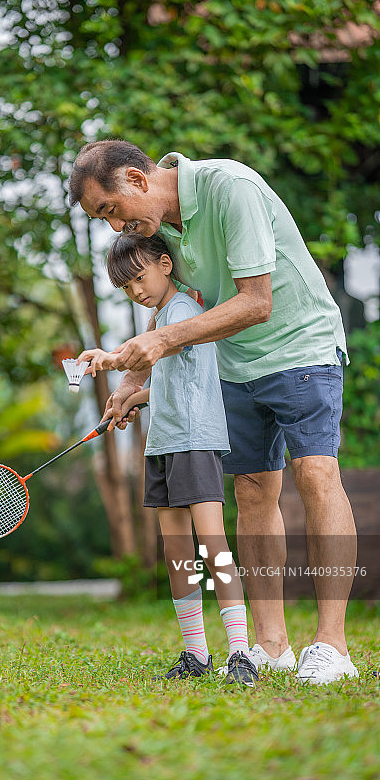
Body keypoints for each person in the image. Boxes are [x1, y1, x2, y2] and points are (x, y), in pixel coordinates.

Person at [70, 139, 359, 685]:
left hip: (301, 347)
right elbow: (170, 304)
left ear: (136, 179)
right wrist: (135, 378)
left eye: (109, 210)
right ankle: (272, 643)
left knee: (316, 475)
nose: (115, 228)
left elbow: (257, 302)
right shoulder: (156, 230)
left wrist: (160, 347)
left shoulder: (231, 188)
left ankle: (333, 644)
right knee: (252, 490)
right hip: (233, 360)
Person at [79, 233, 259, 687]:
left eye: (140, 277)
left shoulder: (182, 312)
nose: (136, 290)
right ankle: (196, 653)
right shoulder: (162, 315)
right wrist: (130, 400)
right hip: (162, 443)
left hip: (195, 441)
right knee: (177, 552)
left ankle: (240, 652)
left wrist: (110, 358)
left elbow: (170, 347)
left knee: (211, 546)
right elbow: (170, 384)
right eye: (126, 286)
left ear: (164, 263)